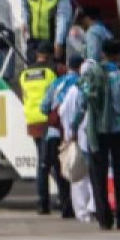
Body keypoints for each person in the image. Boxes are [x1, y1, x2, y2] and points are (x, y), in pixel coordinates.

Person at [75, 41, 120, 230]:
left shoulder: (92, 75)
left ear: (103, 54)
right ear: (119, 55)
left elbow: (82, 103)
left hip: (96, 132)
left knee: (98, 175)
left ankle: (104, 218)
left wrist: (73, 127)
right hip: (119, 132)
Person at [18, 44, 58, 215]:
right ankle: (45, 202)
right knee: (47, 162)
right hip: (47, 121)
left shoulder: (24, 74)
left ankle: (44, 201)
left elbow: (24, 95)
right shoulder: (50, 73)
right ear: (48, 55)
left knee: (42, 160)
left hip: (32, 121)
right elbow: (55, 96)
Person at [55, 55, 93, 222]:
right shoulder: (86, 89)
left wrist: (69, 130)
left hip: (75, 137)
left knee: (78, 175)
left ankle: (82, 211)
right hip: (86, 138)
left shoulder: (71, 89)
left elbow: (61, 111)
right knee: (89, 175)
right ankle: (90, 208)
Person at [40, 57, 75, 218]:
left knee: (60, 171)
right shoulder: (80, 82)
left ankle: (66, 206)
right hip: (75, 134)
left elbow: (44, 106)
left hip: (55, 134)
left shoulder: (55, 84)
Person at [21, 0, 72, 65]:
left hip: (52, 41)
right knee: (33, 69)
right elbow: (24, 5)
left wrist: (59, 42)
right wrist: (24, 21)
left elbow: (62, 19)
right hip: (33, 40)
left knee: (53, 72)